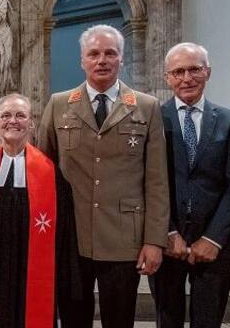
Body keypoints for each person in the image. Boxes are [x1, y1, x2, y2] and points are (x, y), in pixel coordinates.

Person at [39, 24, 168, 328]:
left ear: (122, 59)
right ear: (82, 60)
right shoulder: (59, 105)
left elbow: (157, 180)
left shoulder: (146, 107)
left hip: (124, 236)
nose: (102, 60)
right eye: (93, 54)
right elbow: (43, 172)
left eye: (110, 53)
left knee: (120, 319)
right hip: (72, 234)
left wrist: (154, 240)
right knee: (73, 318)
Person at [0, 93, 80, 327]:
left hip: (33, 275)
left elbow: (64, 233)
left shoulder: (51, 174)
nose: (13, 121)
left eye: (21, 115)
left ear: (31, 123)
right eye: (6, 115)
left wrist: (65, 278)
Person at [149, 42, 230, 328]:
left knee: (208, 321)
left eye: (194, 69)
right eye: (178, 71)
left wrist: (213, 238)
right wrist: (167, 231)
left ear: (208, 72)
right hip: (167, 240)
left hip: (216, 243)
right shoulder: (152, 119)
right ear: (167, 77)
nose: (187, 78)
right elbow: (147, 182)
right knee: (167, 320)